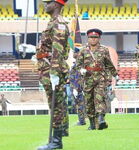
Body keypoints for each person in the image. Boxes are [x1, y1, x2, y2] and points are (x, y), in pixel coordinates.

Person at [36, 0, 69, 149]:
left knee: (56, 105)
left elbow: (58, 50)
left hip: (52, 69)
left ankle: (56, 141)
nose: (45, 5)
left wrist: (54, 73)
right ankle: (56, 139)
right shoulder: (53, 22)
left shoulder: (59, 24)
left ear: (56, 4)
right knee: (55, 104)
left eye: (48, 2)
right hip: (47, 67)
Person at [75, 28, 117, 130]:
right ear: (88, 38)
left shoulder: (104, 50)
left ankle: (101, 118)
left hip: (100, 78)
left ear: (99, 38)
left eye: (95, 37)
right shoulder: (83, 50)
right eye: (91, 37)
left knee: (100, 98)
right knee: (89, 101)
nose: (93, 39)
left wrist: (115, 74)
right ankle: (92, 123)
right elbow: (78, 65)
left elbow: (109, 64)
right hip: (88, 79)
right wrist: (81, 70)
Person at [70, 50, 86, 125]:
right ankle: (81, 120)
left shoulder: (78, 64)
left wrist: (76, 88)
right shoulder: (76, 63)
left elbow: (77, 76)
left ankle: (82, 120)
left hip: (78, 87)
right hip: (76, 86)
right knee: (79, 104)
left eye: (74, 52)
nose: (73, 54)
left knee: (80, 104)